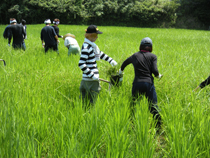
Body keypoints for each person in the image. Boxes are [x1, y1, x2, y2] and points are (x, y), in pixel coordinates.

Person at [118, 37, 163, 128]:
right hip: (148, 84)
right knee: (153, 106)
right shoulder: (153, 56)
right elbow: (155, 70)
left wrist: (120, 72)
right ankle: (158, 127)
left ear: (141, 46)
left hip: (137, 84)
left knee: (134, 105)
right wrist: (158, 76)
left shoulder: (135, 55)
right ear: (150, 47)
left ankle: (132, 125)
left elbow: (124, 63)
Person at [78, 25, 117, 105]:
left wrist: (110, 60)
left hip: (90, 80)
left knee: (85, 102)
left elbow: (99, 54)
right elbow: (81, 64)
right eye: (96, 35)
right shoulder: (86, 47)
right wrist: (92, 75)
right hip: (90, 81)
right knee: (91, 102)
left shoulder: (92, 46)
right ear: (91, 35)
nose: (97, 37)